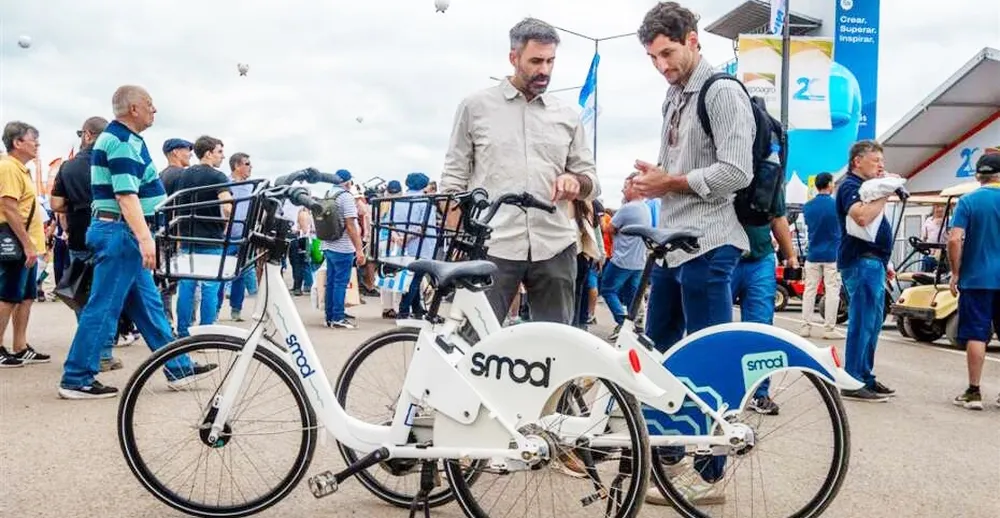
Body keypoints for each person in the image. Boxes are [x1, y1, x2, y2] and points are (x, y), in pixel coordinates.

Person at [630, 2, 755, 505]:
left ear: (694, 39)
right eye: (652, 57)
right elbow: (673, 169)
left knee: (707, 358)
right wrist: (648, 184)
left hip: (711, 242)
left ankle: (712, 474)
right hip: (674, 245)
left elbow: (737, 172)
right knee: (660, 353)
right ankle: (670, 450)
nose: (662, 65)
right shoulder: (673, 96)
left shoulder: (721, 92)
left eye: (668, 52)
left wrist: (672, 181)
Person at [440, 17, 600, 325]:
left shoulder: (567, 115)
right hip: (493, 243)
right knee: (475, 342)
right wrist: (456, 235)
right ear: (514, 57)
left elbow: (591, 180)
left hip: (555, 244)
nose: (545, 70)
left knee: (556, 345)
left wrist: (574, 182)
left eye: (551, 61)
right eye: (536, 61)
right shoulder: (475, 106)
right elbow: (454, 177)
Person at [59, 85, 215, 399]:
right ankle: (76, 378)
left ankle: (178, 366)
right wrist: (146, 239)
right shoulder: (120, 141)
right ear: (134, 108)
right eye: (150, 104)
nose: (154, 110)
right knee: (103, 307)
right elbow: (125, 194)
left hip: (120, 232)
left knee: (149, 306)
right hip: (122, 233)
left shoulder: (124, 139)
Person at [50, 116, 135, 371]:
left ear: (87, 134)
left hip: (79, 235)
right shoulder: (114, 158)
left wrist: (76, 206)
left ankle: (88, 347)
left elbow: (55, 204)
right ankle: (104, 352)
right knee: (106, 296)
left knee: (82, 294)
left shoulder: (68, 167)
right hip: (112, 232)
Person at [836, 140, 895, 402]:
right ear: (857, 161)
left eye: (882, 161)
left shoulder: (867, 187)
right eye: (875, 161)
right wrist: (885, 191)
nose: (881, 166)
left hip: (875, 261)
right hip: (861, 259)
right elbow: (861, 217)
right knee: (862, 321)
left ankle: (865, 375)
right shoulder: (850, 186)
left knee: (873, 322)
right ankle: (853, 378)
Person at [948, 152, 1000, 410]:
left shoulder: (968, 201)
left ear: (979, 175)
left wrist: (955, 272)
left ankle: (974, 391)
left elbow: (955, 239)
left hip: (976, 278)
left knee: (977, 334)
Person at [0, 121, 50, 367]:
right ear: (17, 142)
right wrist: (27, 245)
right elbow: (9, 206)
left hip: (27, 243)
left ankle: (19, 346)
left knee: (26, 295)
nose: (37, 145)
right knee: (8, 295)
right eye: (34, 141)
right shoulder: (8, 167)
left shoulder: (21, 169)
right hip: (15, 243)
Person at [172, 136, 233, 338]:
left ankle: (182, 331)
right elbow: (226, 205)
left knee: (186, 287)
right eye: (219, 152)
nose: (222, 157)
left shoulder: (184, 176)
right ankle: (206, 331)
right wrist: (227, 224)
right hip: (211, 238)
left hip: (188, 237)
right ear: (208, 153)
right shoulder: (218, 177)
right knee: (210, 286)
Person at [601, 174, 650, 339]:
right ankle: (635, 326)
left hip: (622, 260)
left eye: (626, 187)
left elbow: (608, 228)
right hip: (639, 261)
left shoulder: (628, 208)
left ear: (635, 188)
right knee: (632, 295)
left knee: (607, 290)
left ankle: (622, 323)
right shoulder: (645, 207)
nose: (623, 190)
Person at [800, 172, 844, 338]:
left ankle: (805, 326)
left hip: (813, 253)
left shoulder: (808, 206)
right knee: (832, 290)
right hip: (833, 254)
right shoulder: (837, 206)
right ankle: (829, 328)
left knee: (809, 290)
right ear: (829, 184)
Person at [320, 169, 366, 329]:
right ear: (347, 182)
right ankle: (338, 316)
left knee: (331, 282)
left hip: (328, 244)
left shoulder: (328, 194)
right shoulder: (345, 197)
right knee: (340, 282)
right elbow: (351, 225)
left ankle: (329, 315)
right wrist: (359, 249)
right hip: (343, 246)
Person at [217, 152, 256, 321]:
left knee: (239, 274)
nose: (250, 167)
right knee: (220, 274)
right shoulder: (224, 183)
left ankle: (236, 309)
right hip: (225, 235)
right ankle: (216, 309)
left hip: (244, 235)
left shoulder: (251, 186)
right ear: (236, 166)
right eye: (247, 164)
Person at [920, 204, 947, 272]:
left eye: (942, 206)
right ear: (934, 207)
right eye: (938, 206)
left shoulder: (949, 221)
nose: (940, 209)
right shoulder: (928, 220)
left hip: (944, 256)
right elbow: (924, 237)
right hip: (930, 254)